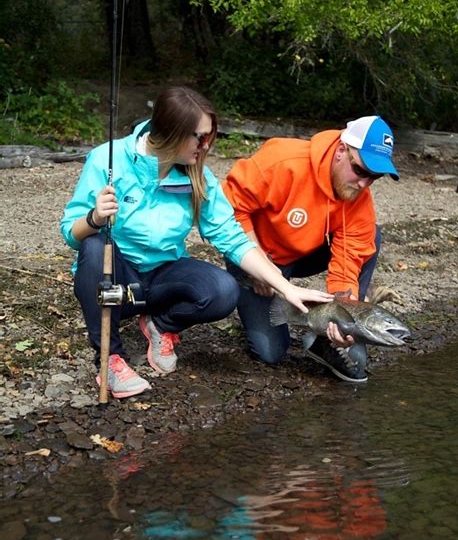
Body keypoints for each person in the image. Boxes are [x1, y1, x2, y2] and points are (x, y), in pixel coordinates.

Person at [60, 85, 333, 399]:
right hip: (116, 283)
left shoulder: (196, 176)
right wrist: (94, 217)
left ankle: (160, 325)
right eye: (200, 137)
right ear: (172, 132)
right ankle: (110, 358)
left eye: (210, 137)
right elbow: (70, 233)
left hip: (162, 279)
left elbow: (232, 237)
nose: (206, 146)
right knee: (94, 245)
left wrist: (286, 287)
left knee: (224, 289)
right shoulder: (107, 159)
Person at [222, 115, 400, 383]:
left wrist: (344, 318)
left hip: (303, 253)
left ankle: (325, 340)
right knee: (270, 353)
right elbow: (228, 208)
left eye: (374, 177)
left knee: (370, 236)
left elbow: (349, 258)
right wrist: (260, 265)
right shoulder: (282, 160)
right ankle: (253, 302)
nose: (364, 183)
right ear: (342, 151)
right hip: (254, 255)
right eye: (361, 171)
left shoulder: (358, 196)